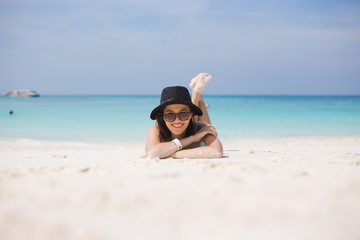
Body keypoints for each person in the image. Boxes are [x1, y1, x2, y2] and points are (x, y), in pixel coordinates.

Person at [145, 73, 223, 159]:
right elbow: (152, 153)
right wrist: (193, 138)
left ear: (191, 115)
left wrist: (171, 153)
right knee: (187, 115)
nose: (177, 120)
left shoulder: (202, 129)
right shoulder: (156, 130)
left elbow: (217, 151)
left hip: (194, 126)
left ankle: (197, 91)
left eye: (184, 114)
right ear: (162, 116)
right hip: (193, 131)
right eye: (170, 115)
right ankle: (196, 90)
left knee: (202, 124)